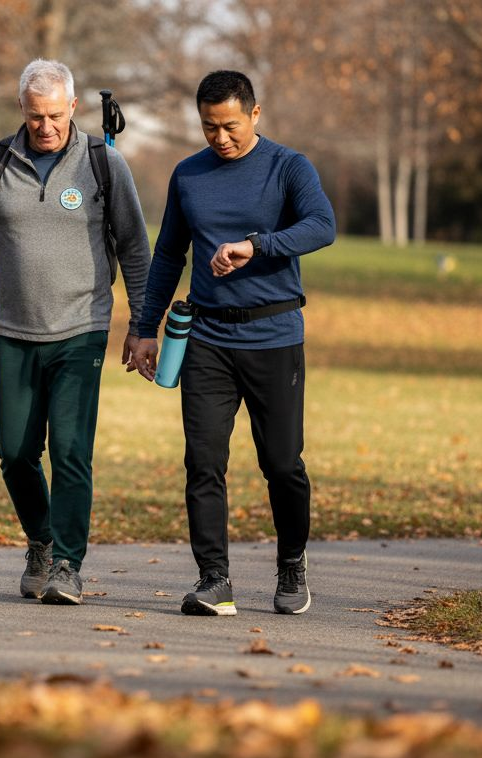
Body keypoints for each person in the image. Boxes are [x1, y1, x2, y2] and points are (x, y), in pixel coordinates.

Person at [0, 59, 151, 605]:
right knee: (14, 450)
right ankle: (40, 538)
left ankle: (65, 564)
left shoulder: (104, 165)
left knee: (71, 450)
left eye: (56, 115)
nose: (46, 127)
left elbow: (134, 247)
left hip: (81, 329)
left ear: (73, 108)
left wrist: (141, 324)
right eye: (36, 116)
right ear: (21, 110)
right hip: (12, 330)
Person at [130, 70, 335, 616]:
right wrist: (145, 328)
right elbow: (169, 253)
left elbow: (322, 225)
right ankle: (213, 578)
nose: (220, 138)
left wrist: (256, 245)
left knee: (282, 463)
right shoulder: (189, 175)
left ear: (255, 114)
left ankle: (292, 562)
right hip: (207, 339)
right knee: (203, 460)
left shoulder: (288, 166)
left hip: (274, 335)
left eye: (230, 126)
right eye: (209, 127)